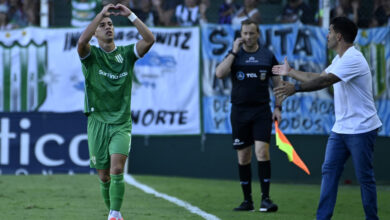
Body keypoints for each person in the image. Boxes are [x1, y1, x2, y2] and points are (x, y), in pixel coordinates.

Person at [272, 17, 382, 220]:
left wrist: (295, 88)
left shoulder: (353, 58)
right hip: (340, 130)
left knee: (364, 178)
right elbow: (318, 77)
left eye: (330, 31)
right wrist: (291, 73)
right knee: (329, 172)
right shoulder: (339, 59)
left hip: (362, 128)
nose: (327, 35)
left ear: (339, 36)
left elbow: (326, 81)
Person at [77, 3, 155, 220]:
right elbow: (82, 42)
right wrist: (100, 14)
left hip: (121, 122)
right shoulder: (91, 56)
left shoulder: (127, 54)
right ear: (96, 33)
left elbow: (149, 39)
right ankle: (113, 212)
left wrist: (130, 14)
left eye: (110, 23)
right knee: (103, 177)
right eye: (102, 25)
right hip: (97, 121)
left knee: (117, 170)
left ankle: (114, 214)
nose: (108, 27)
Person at [215, 20, 282, 212]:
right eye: (245, 33)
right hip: (239, 112)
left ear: (258, 34)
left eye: (252, 33)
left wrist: (278, 108)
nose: (248, 37)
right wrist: (234, 51)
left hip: (261, 111)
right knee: (244, 157)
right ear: (240, 35)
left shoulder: (267, 55)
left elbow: (278, 84)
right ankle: (247, 201)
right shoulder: (235, 55)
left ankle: (266, 199)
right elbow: (219, 73)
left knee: (262, 152)